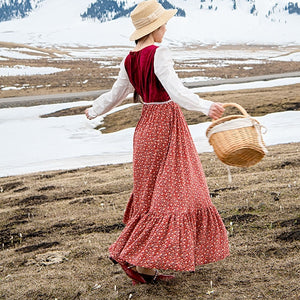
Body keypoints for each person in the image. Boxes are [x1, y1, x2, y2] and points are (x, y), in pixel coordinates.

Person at [85, 0, 229, 285]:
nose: (165, 28)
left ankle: (146, 269)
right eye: (163, 24)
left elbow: (116, 94)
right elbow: (176, 90)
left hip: (146, 129)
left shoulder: (130, 58)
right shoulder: (159, 53)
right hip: (166, 127)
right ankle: (135, 256)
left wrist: (95, 109)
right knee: (175, 193)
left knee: (152, 196)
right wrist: (206, 106)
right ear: (153, 28)